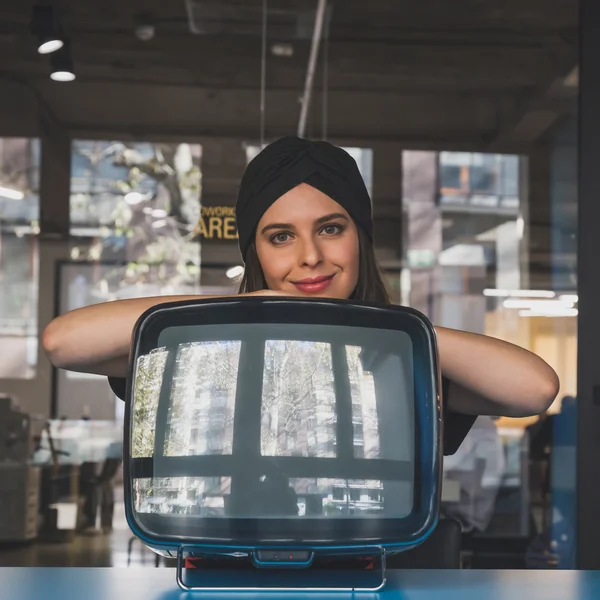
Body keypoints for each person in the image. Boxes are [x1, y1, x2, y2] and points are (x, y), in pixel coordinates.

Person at [42, 136, 559, 456]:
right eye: (281, 236)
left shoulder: (400, 360)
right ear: (256, 254)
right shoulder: (201, 354)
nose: (309, 256)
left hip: (367, 582)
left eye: (331, 228)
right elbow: (64, 343)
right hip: (222, 583)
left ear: (361, 238)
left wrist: (382, 327)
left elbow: (533, 389)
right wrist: (240, 311)